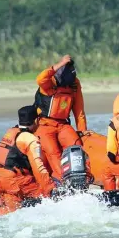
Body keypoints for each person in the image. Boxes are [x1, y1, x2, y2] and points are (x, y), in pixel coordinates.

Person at [34, 55, 88, 184]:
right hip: (45, 124)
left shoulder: (74, 83)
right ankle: (62, 182)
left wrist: (82, 131)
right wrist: (61, 63)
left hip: (63, 125)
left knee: (76, 146)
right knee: (53, 152)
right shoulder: (48, 82)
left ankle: (83, 179)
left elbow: (78, 110)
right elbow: (40, 78)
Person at [0, 105, 56, 211]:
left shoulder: (11, 132)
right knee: (45, 197)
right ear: (36, 120)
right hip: (16, 182)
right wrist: (50, 189)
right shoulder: (30, 139)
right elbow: (38, 168)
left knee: (11, 211)